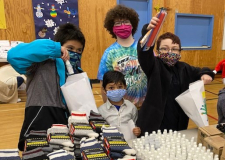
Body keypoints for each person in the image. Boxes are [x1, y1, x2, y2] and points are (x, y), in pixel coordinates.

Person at [7, 23, 86, 151]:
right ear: (60, 47)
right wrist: (54, 48)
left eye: (79, 50)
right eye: (70, 48)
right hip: (40, 122)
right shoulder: (40, 63)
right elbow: (13, 56)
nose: (75, 53)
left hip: (66, 128)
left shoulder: (79, 74)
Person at [136, 17, 215, 135]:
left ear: (180, 52)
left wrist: (206, 74)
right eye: (164, 48)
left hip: (177, 120)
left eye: (174, 49)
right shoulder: (153, 65)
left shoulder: (184, 68)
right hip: (154, 122)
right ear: (157, 51)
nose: (170, 52)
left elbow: (202, 71)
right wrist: (147, 32)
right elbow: (144, 52)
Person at [97, 5, 147, 107]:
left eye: (126, 22)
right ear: (113, 28)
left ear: (132, 25)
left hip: (145, 108)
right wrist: (108, 109)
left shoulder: (144, 48)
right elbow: (103, 84)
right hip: (122, 109)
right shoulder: (109, 53)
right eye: (118, 23)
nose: (122, 25)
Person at [98, 71, 141, 137]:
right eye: (111, 88)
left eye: (120, 87)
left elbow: (135, 125)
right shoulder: (100, 111)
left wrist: (137, 130)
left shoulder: (131, 107)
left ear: (125, 87)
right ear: (104, 90)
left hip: (129, 143)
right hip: (110, 144)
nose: (116, 90)